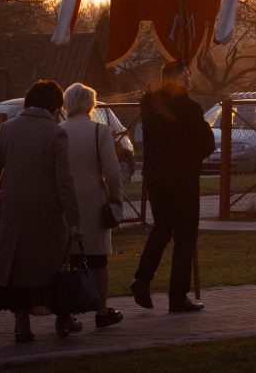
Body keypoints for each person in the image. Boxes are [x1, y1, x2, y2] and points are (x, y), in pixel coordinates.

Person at [0, 80, 82, 341]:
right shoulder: (56, 133)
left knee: (18, 267)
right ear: (56, 106)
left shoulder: (8, 129)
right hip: (47, 212)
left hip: (14, 211)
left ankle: (21, 324)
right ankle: (63, 319)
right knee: (54, 266)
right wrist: (74, 218)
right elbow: (64, 181)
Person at [130, 61, 215, 313]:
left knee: (162, 228)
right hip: (183, 178)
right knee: (185, 237)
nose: (189, 80)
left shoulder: (149, 105)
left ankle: (142, 278)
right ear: (180, 79)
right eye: (187, 76)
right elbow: (207, 144)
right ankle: (177, 296)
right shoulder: (189, 108)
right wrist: (193, 153)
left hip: (156, 177)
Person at [61, 82, 124, 327]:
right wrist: (116, 199)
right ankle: (101, 309)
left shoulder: (58, 131)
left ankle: (67, 312)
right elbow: (113, 172)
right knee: (98, 259)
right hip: (94, 201)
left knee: (68, 258)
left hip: (66, 202)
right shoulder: (100, 131)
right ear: (91, 103)